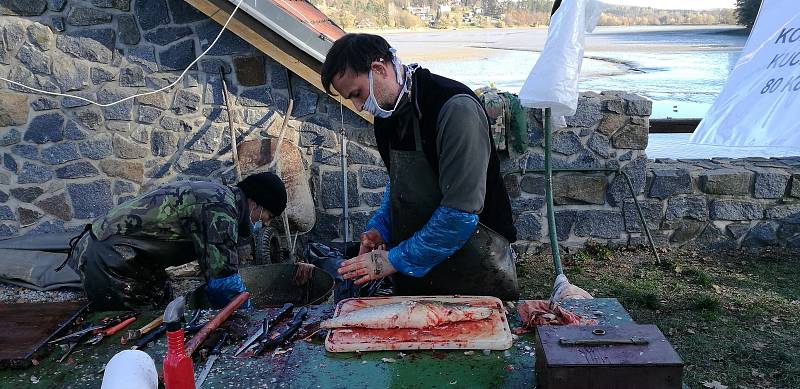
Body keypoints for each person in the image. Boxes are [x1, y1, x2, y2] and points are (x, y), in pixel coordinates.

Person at [320, 33, 519, 300]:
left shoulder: (454, 109)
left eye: (358, 94)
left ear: (379, 69)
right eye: (351, 99)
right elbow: (400, 185)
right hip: (418, 271)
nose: (359, 106)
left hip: (477, 269)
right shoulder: (387, 116)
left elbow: (460, 213)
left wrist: (392, 260)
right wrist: (381, 227)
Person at [62, 172, 287, 310]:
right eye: (268, 217)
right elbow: (223, 281)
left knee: (164, 304)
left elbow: (217, 261)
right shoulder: (220, 209)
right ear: (256, 204)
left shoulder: (221, 196)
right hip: (108, 260)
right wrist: (251, 316)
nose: (265, 224)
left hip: (125, 255)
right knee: (141, 329)